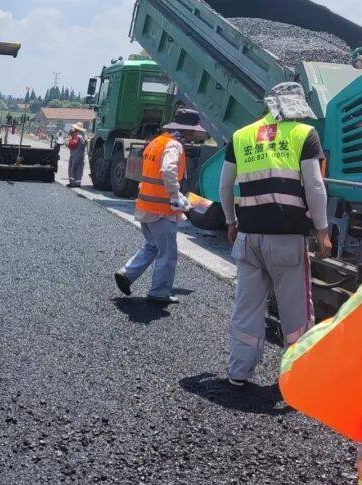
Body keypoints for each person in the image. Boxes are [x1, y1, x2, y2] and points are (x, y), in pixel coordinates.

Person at [219, 82, 332, 387]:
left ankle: (238, 372)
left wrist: (231, 220)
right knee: (295, 311)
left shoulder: (240, 136)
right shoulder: (303, 134)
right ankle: (297, 378)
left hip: (248, 238)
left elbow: (225, 186)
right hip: (287, 240)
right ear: (297, 104)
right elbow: (315, 186)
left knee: (247, 306)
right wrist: (322, 230)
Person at [115, 109, 206, 304]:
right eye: (193, 130)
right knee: (168, 253)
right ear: (187, 130)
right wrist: (175, 195)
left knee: (153, 245)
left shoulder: (157, 142)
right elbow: (167, 170)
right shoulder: (174, 145)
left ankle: (127, 274)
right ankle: (159, 293)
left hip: (145, 205)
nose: (195, 134)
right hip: (161, 211)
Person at [66, 123, 87, 188]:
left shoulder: (77, 136)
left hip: (75, 155)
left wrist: (67, 143)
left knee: (72, 168)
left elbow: (73, 144)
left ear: (77, 129)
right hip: (82, 155)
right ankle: (78, 183)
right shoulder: (84, 137)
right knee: (79, 169)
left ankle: (72, 183)